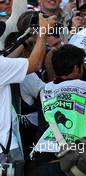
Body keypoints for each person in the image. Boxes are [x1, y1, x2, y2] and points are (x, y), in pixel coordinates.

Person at [33, 44, 86, 175]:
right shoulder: (85, 89)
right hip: (74, 161)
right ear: (76, 68)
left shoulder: (43, 91)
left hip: (45, 159)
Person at [0, 13, 56, 163]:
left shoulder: (3, 65)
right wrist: (43, 33)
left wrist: (27, 39)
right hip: (4, 151)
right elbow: (34, 64)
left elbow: (7, 60)